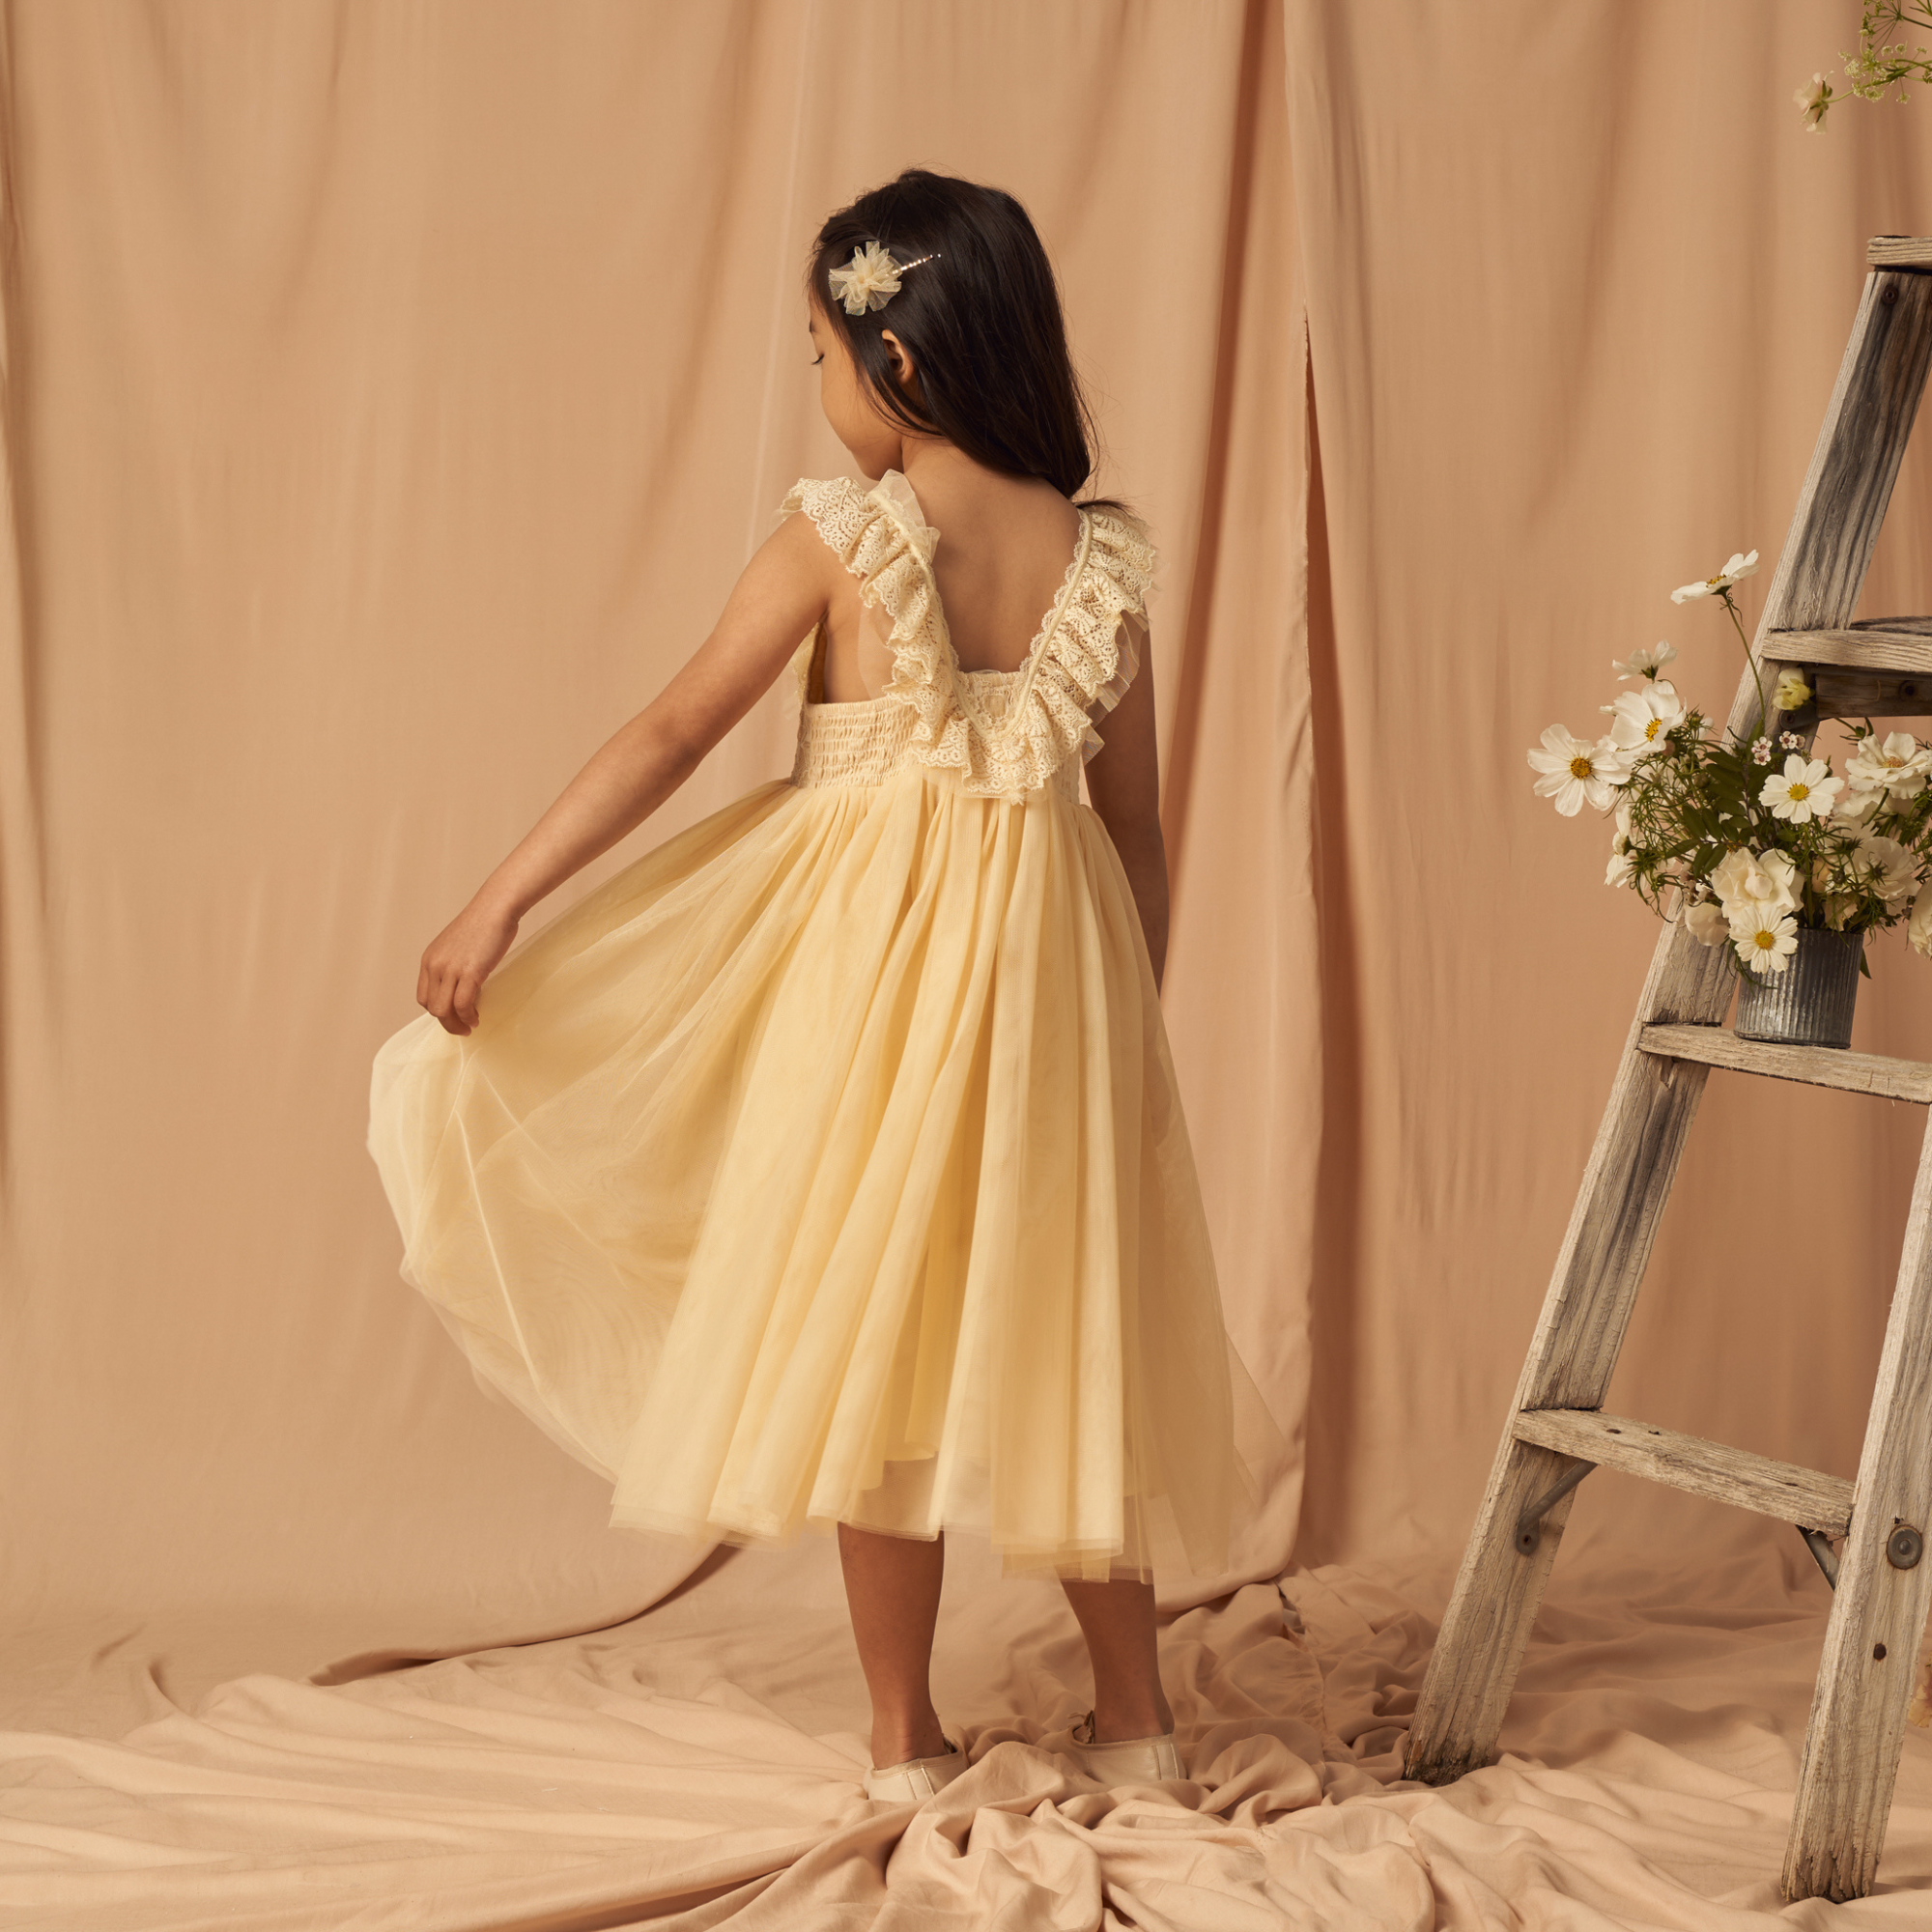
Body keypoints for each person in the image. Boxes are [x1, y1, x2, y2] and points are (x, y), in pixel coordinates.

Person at [368, 167, 1251, 1804]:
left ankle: (904, 1738)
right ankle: (1141, 1731)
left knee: (877, 1349)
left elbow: (670, 731)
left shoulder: (843, 531)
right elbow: (1137, 833)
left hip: (870, 991)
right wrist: (1131, 1034)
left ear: (896, 364)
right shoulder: (1100, 558)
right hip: (1053, 998)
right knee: (1075, 1351)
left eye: (822, 351)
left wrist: (501, 901)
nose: (815, 383)